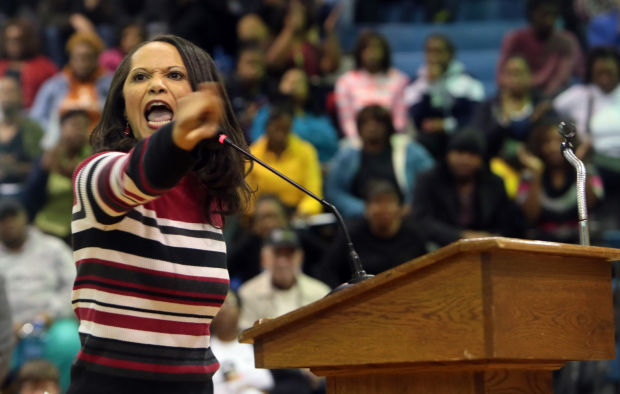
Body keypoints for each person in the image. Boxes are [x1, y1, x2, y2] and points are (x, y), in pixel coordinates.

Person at [66, 34, 251, 394]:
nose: (156, 85)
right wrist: (177, 138)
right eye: (140, 77)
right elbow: (138, 176)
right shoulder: (96, 174)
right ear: (124, 107)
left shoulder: (206, 201)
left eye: (175, 75)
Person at [0, 199, 78, 391]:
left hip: (51, 323)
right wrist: (7, 326)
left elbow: (74, 284)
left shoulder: (53, 248)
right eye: (2, 220)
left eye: (12, 218)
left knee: (70, 340)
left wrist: (51, 314)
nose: (8, 224)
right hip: (7, 329)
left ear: (24, 217)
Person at [412, 129, 526, 247]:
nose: (465, 160)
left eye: (472, 155)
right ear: (448, 154)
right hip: (440, 245)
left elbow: (507, 221)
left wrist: (486, 237)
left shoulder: (494, 183)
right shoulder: (428, 179)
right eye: (460, 153)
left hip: (486, 244)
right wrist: (461, 236)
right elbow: (422, 220)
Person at [325, 105, 433, 219]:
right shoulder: (347, 153)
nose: (372, 127)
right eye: (366, 123)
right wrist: (365, 210)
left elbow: (430, 181)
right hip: (360, 219)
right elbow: (334, 191)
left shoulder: (408, 150)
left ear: (388, 126)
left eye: (378, 122)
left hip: (404, 217)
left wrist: (410, 206)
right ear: (358, 128)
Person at [321, 179, 427, 289]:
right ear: (367, 208)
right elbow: (328, 272)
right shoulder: (350, 236)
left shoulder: (414, 234)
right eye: (377, 202)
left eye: (389, 202)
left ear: (400, 208)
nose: (384, 208)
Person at [516, 116, 604, 243]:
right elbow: (531, 216)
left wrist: (579, 164)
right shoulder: (529, 175)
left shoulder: (584, 169)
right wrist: (536, 174)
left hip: (580, 241)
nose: (553, 147)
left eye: (559, 141)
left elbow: (591, 203)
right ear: (538, 145)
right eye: (547, 141)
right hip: (544, 243)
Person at [405, 33, 485, 159]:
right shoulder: (416, 84)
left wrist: (446, 125)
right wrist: (431, 85)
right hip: (429, 139)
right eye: (430, 51)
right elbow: (416, 119)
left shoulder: (470, 82)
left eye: (439, 51)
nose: (434, 57)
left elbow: (475, 116)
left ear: (451, 54)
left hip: (459, 135)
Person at [30, 31, 112, 149]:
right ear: (70, 58)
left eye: (87, 57)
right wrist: (54, 133)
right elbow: (36, 118)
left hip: (98, 144)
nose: (82, 62)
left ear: (96, 58)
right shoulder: (53, 86)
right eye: (78, 57)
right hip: (58, 144)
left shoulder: (110, 84)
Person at [23, 109, 92, 242]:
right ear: (61, 128)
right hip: (48, 229)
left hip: (82, 230)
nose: (80, 130)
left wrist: (68, 173)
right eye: (74, 125)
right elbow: (31, 199)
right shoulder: (47, 158)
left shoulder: (93, 157)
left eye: (84, 126)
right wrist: (42, 172)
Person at [227, 194, 327, 286]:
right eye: (263, 218)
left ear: (284, 218)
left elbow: (327, 260)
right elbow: (227, 268)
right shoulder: (247, 244)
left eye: (272, 216)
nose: (268, 223)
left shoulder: (300, 238)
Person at [246, 103, 323, 218]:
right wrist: (254, 215)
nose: (280, 135)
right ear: (267, 127)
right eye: (277, 128)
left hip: (296, 214)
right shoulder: (252, 154)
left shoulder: (306, 151)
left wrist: (303, 213)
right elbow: (245, 199)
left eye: (285, 129)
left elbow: (314, 195)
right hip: (261, 216)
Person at [250, 68, 339, 164]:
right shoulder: (267, 112)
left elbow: (332, 142)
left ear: (307, 88)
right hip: (275, 165)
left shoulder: (317, 115)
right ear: (279, 85)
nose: (293, 84)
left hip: (319, 165)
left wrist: (293, 136)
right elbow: (258, 142)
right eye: (288, 80)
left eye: (299, 82)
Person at [496, 0, 582, 98]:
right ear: (532, 14)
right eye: (545, 14)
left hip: (554, 99)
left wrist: (540, 99)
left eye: (554, 15)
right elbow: (501, 76)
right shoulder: (514, 39)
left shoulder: (566, 41)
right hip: (519, 94)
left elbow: (561, 79)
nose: (550, 20)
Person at [335, 30, 409, 139]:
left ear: (384, 51)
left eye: (376, 47)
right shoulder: (345, 82)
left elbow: (400, 120)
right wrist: (360, 141)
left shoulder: (399, 80)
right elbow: (347, 121)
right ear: (360, 52)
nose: (372, 52)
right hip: (357, 140)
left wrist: (387, 140)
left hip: (391, 140)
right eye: (367, 48)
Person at [210, 291, 274, 394]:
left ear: (240, 310)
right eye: (218, 305)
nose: (223, 309)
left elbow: (269, 384)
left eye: (229, 303)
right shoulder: (203, 349)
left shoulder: (256, 342)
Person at [0, 75, 44, 198]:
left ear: (21, 96)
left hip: (25, 191)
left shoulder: (33, 129)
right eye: (3, 91)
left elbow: (41, 169)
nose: (6, 96)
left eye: (10, 91)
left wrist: (15, 168)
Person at [0, 18, 58, 109]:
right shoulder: (1, 66)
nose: (13, 44)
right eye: (9, 40)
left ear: (27, 41)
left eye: (18, 40)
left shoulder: (45, 67)